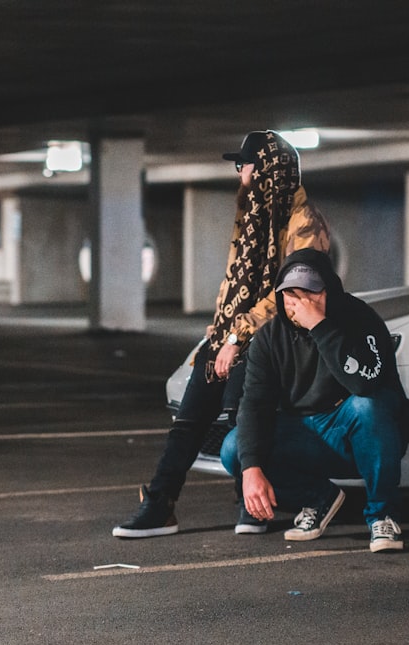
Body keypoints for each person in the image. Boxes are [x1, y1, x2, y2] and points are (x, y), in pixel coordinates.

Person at [113, 130, 331, 538]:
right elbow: (234, 285)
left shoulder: (305, 224)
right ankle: (160, 505)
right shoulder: (251, 217)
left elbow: (293, 295)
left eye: (244, 166)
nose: (240, 175)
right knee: (189, 419)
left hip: (278, 340)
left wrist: (237, 338)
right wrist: (218, 334)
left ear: (266, 170)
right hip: (232, 335)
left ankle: (253, 504)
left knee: (242, 416)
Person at [220, 247, 409, 553]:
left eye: (310, 293)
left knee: (369, 405)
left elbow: (364, 384)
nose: (300, 303)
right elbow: (254, 405)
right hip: (305, 436)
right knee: (235, 450)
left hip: (356, 435)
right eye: (290, 295)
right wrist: (250, 470)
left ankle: (383, 515)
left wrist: (321, 328)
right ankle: (318, 498)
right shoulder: (271, 338)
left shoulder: (360, 319)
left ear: (330, 291)